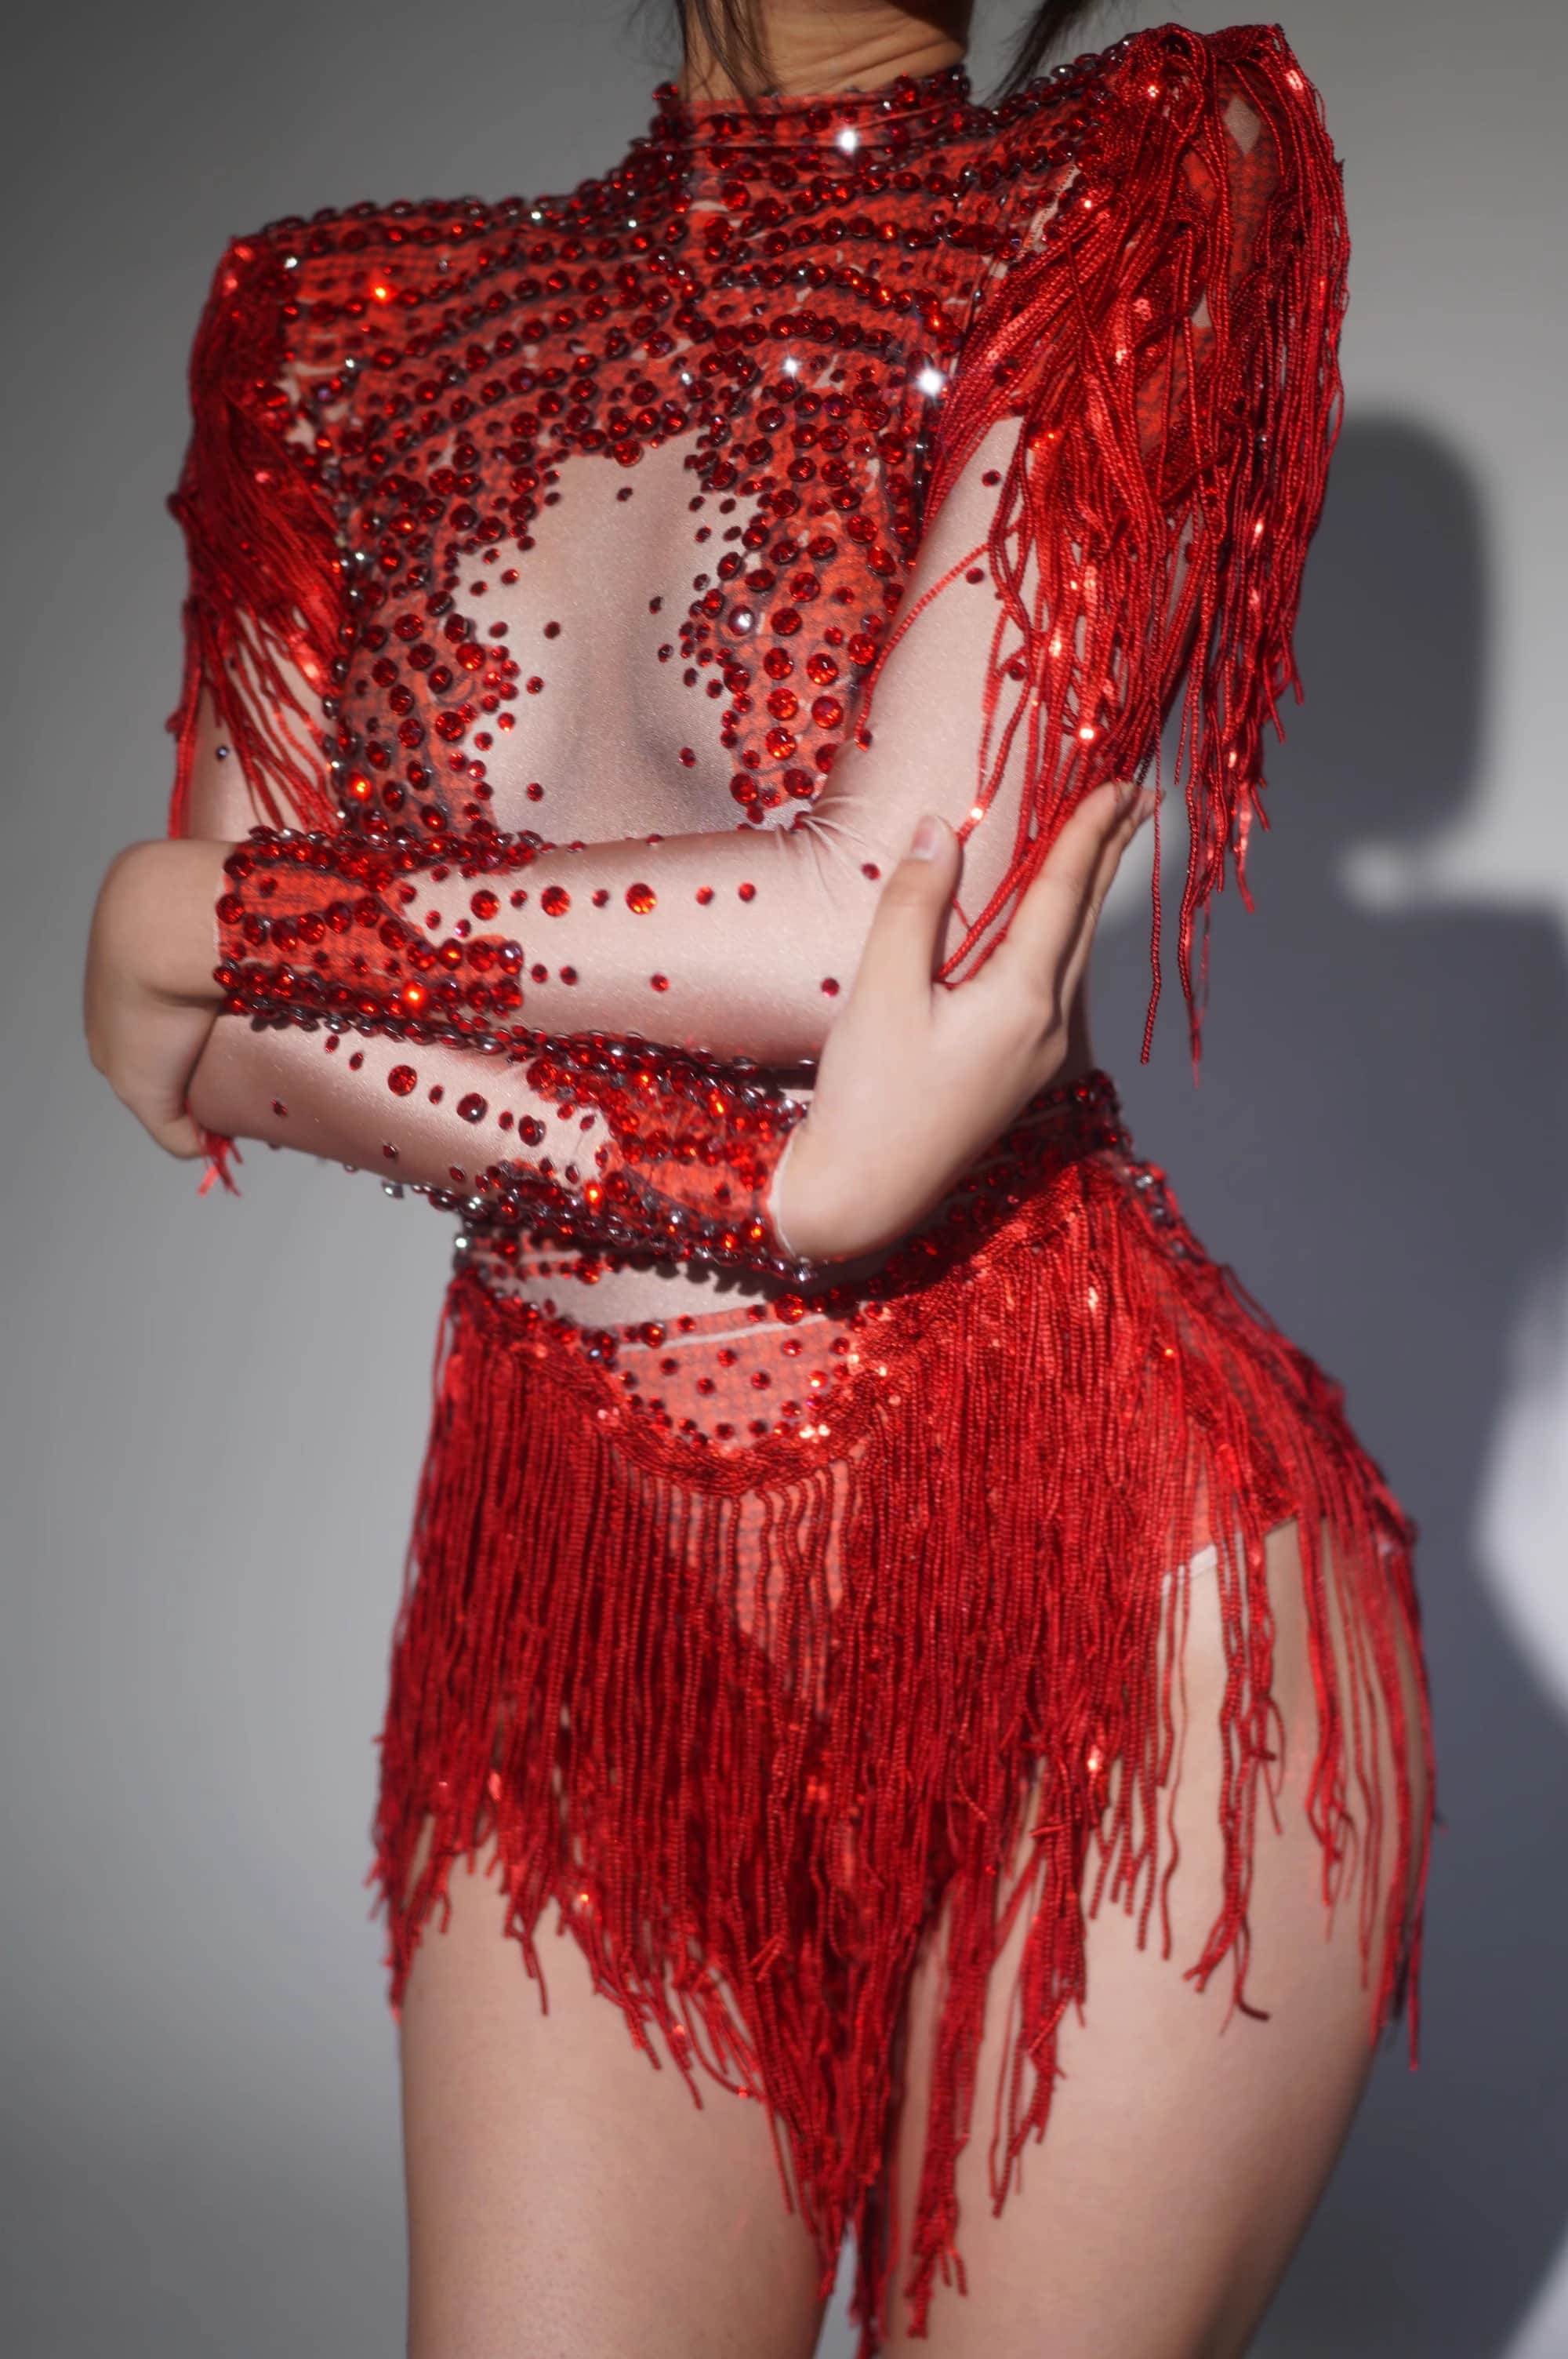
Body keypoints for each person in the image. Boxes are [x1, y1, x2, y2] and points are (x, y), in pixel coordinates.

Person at [82, 3, 1434, 2351]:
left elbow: (854, 922)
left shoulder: (1141, 172)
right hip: (587, 1597)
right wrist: (771, 1203)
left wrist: (193, 907)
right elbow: (238, 1061)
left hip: (1095, 1569)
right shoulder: (316, 322)